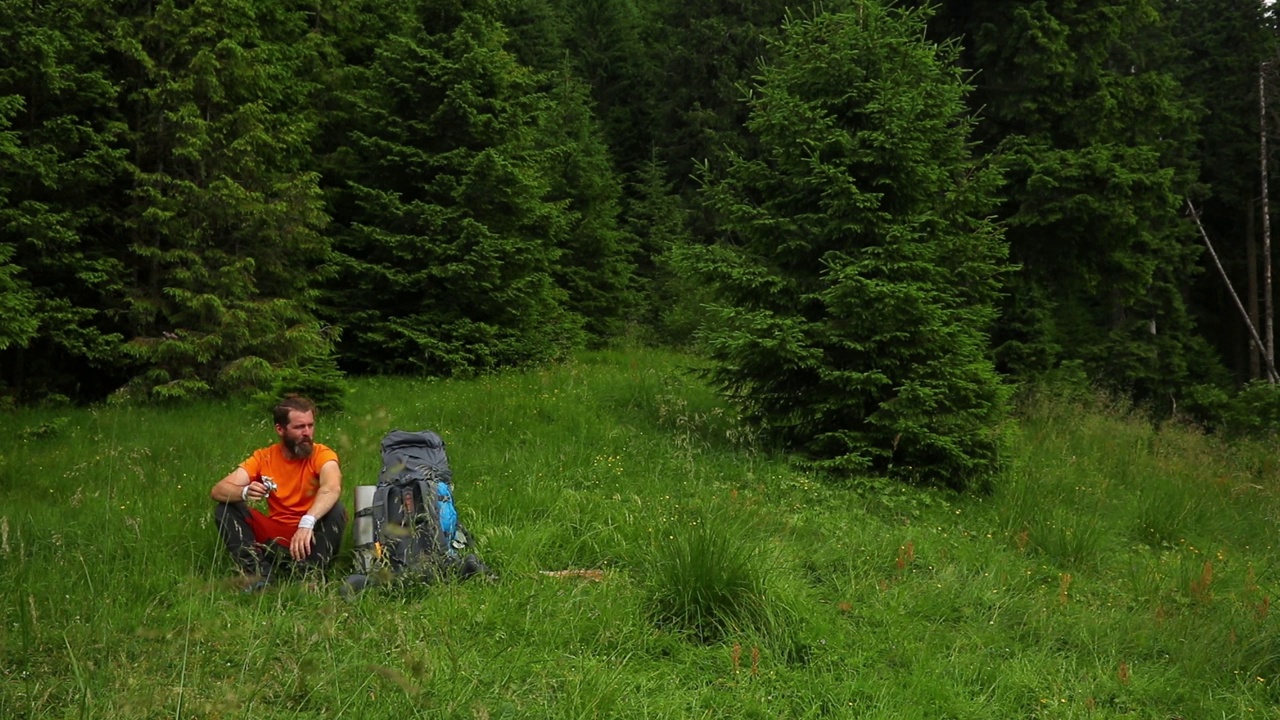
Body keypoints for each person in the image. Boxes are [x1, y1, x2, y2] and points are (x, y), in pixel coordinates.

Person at [210, 395, 347, 590]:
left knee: (336, 508)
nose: (307, 432)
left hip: (312, 535)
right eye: (299, 427)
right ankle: (259, 576)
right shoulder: (263, 457)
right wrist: (244, 491)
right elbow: (218, 489)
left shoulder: (322, 454)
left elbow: (331, 487)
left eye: (310, 425)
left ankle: (310, 576)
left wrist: (307, 522)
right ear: (280, 430)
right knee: (225, 509)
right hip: (276, 536)